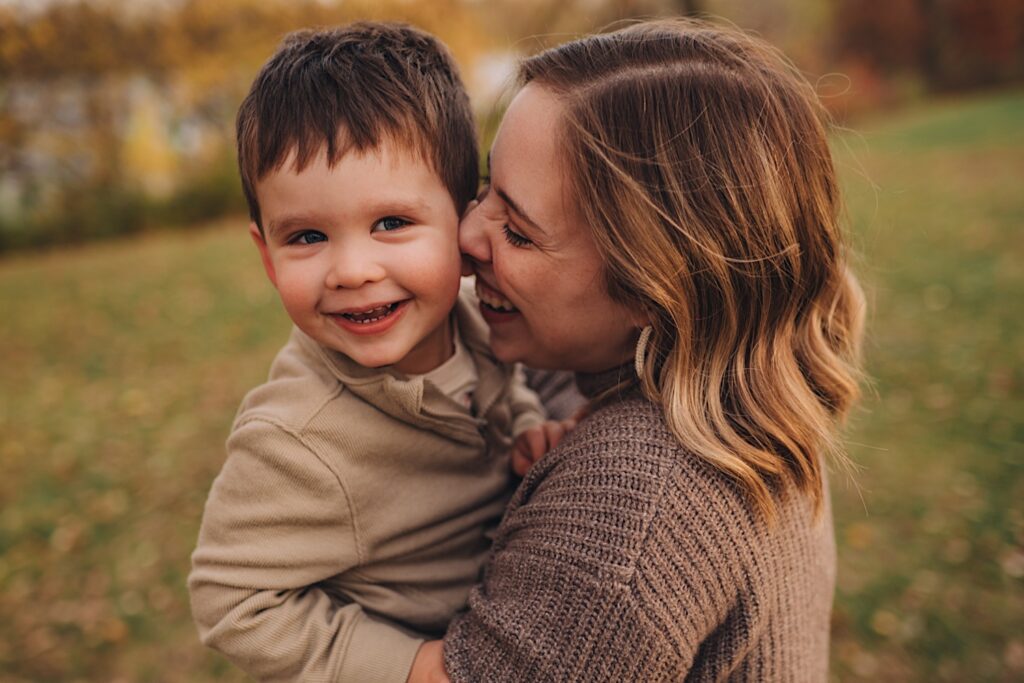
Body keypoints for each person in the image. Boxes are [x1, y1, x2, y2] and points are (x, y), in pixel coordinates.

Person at [410, 18, 867, 682]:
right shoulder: (738, 391)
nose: (466, 236)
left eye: (518, 230)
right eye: (486, 189)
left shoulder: (637, 505)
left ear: (651, 290)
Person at [188, 23, 569, 682]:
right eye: (307, 236)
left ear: (464, 217)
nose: (353, 270)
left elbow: (501, 388)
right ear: (267, 257)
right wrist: (405, 665)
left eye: (391, 223)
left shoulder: (475, 320)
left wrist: (528, 427)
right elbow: (230, 599)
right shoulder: (296, 440)